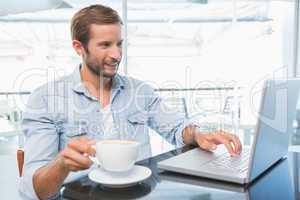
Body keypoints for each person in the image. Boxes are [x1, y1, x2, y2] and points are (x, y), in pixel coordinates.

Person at [19, 4, 242, 200]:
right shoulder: (45, 99)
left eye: (119, 44)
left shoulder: (140, 91)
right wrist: (61, 164)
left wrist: (197, 134)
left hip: (140, 194)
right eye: (105, 45)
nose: (117, 54)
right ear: (79, 47)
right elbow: (34, 191)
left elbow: (177, 128)